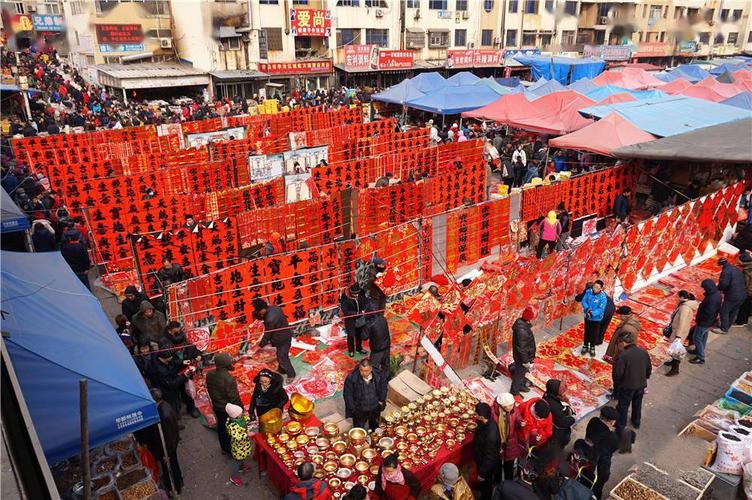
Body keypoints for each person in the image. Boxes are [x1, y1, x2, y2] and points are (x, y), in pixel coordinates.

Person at [612, 336, 651, 436]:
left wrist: (619, 384)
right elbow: (648, 368)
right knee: (637, 404)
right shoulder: (643, 352)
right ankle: (636, 422)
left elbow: (618, 374)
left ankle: (621, 426)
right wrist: (645, 377)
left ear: (624, 343)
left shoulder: (623, 356)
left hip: (627, 386)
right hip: (641, 384)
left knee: (623, 406)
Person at [206, 353, 242, 455]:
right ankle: (234, 451)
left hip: (217, 406)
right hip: (228, 408)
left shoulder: (210, 374)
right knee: (232, 429)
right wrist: (240, 409)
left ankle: (224, 448)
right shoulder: (229, 379)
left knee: (221, 427)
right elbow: (234, 398)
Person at [253, 298, 296, 380]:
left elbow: (268, 334)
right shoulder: (275, 307)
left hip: (282, 339)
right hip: (285, 333)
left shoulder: (270, 319)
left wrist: (260, 344)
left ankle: (291, 375)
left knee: (282, 357)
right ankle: (282, 369)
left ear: (262, 309)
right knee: (281, 355)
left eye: (259, 311)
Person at [151, 388, 183, 495]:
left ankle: (175, 488)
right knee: (175, 464)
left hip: (169, 447)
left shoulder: (163, 414)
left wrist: (166, 454)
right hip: (172, 443)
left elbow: (168, 435)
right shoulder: (165, 405)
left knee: (171, 467)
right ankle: (179, 481)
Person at [150, 343, 194, 419]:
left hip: (170, 389)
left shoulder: (158, 357)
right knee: (170, 409)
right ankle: (174, 422)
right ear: (166, 357)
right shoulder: (161, 370)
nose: (172, 358)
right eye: (171, 357)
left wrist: (182, 362)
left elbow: (172, 363)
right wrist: (184, 375)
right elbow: (172, 384)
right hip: (166, 393)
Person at [343, 359, 388, 431]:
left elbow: (384, 387)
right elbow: (347, 394)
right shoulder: (352, 378)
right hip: (360, 409)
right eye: (362, 370)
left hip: (375, 407)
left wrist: (381, 400)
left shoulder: (378, 375)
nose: (364, 373)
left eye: (366, 371)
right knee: (358, 429)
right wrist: (353, 409)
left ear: (371, 369)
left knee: (375, 427)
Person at [585, 406, 619, 499]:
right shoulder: (612, 437)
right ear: (612, 422)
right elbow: (613, 449)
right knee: (602, 477)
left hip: (588, 451)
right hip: (601, 457)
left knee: (587, 474)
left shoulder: (593, 421)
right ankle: (595, 495)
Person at [664, 291, 698, 376]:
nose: (677, 298)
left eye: (678, 297)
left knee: (677, 351)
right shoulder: (684, 305)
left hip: (679, 332)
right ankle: (673, 362)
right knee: (675, 349)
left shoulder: (685, 308)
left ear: (682, 297)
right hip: (679, 331)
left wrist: (678, 336)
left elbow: (682, 322)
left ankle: (675, 369)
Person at [472, 402, 501, 500]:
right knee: (482, 484)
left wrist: (482, 473)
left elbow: (490, 456)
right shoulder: (484, 422)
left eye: (476, 414)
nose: (475, 415)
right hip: (480, 457)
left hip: (487, 465)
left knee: (486, 486)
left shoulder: (491, 434)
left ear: (481, 417)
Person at [689, 279, 721, 365]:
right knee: (703, 336)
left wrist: (700, 320)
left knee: (697, 338)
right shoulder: (716, 294)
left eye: (704, 288)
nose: (704, 290)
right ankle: (698, 350)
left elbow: (708, 312)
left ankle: (700, 357)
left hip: (705, 322)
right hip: (709, 321)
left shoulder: (712, 298)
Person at [493, 393, 523, 482]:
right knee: (497, 464)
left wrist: (520, 422)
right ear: (502, 406)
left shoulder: (514, 410)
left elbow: (518, 418)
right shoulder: (494, 412)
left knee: (509, 465)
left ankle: (508, 483)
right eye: (507, 406)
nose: (510, 407)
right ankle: (497, 481)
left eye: (511, 405)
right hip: (498, 442)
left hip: (511, 442)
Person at [715, 257, 747, 334]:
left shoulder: (726, 271)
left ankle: (724, 329)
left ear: (721, 265)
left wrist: (718, 289)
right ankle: (727, 326)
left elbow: (724, 284)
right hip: (742, 294)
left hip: (733, 295)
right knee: (733, 311)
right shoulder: (735, 269)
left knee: (724, 311)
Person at [511, 306, 537, 395]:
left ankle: (521, 385)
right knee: (519, 374)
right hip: (522, 358)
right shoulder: (522, 330)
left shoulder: (523, 325)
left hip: (525, 356)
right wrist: (525, 361)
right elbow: (522, 348)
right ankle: (514, 391)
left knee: (523, 373)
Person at [225, 403, 252, 487]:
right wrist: (247, 434)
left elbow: (245, 418)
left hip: (244, 444)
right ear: (235, 416)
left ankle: (241, 466)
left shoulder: (240, 417)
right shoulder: (233, 426)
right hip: (238, 447)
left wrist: (250, 420)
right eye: (240, 413)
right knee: (237, 460)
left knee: (242, 457)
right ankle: (234, 476)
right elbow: (237, 437)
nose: (242, 413)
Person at [542, 379, 575, 448]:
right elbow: (562, 423)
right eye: (562, 391)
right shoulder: (555, 407)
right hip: (555, 431)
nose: (564, 393)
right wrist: (573, 419)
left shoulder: (548, 394)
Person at [580, 280, 607, 357]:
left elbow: (601, 309)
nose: (595, 288)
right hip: (587, 316)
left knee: (594, 333)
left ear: (601, 288)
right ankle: (585, 345)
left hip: (596, 319)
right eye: (594, 286)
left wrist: (592, 313)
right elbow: (583, 301)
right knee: (587, 331)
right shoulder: (588, 292)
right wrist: (587, 308)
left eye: (597, 287)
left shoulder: (603, 297)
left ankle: (592, 347)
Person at [339, 283, 367, 357]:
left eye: (357, 294)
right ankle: (351, 350)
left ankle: (359, 348)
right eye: (354, 294)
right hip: (350, 320)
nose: (356, 295)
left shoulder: (361, 294)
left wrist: (364, 309)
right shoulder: (345, 297)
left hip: (360, 318)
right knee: (351, 336)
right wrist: (356, 313)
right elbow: (345, 311)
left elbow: (365, 302)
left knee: (359, 335)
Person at [362, 308, 391, 376]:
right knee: (386, 365)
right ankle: (387, 378)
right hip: (386, 344)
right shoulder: (383, 318)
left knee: (374, 367)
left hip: (377, 349)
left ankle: (376, 383)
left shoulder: (369, 324)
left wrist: (364, 326)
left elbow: (364, 337)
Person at [737, 251, 752, 325]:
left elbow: (746, 282)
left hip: (749, 292)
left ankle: (740, 322)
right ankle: (745, 319)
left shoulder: (747, 269)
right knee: (748, 306)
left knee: (745, 306)